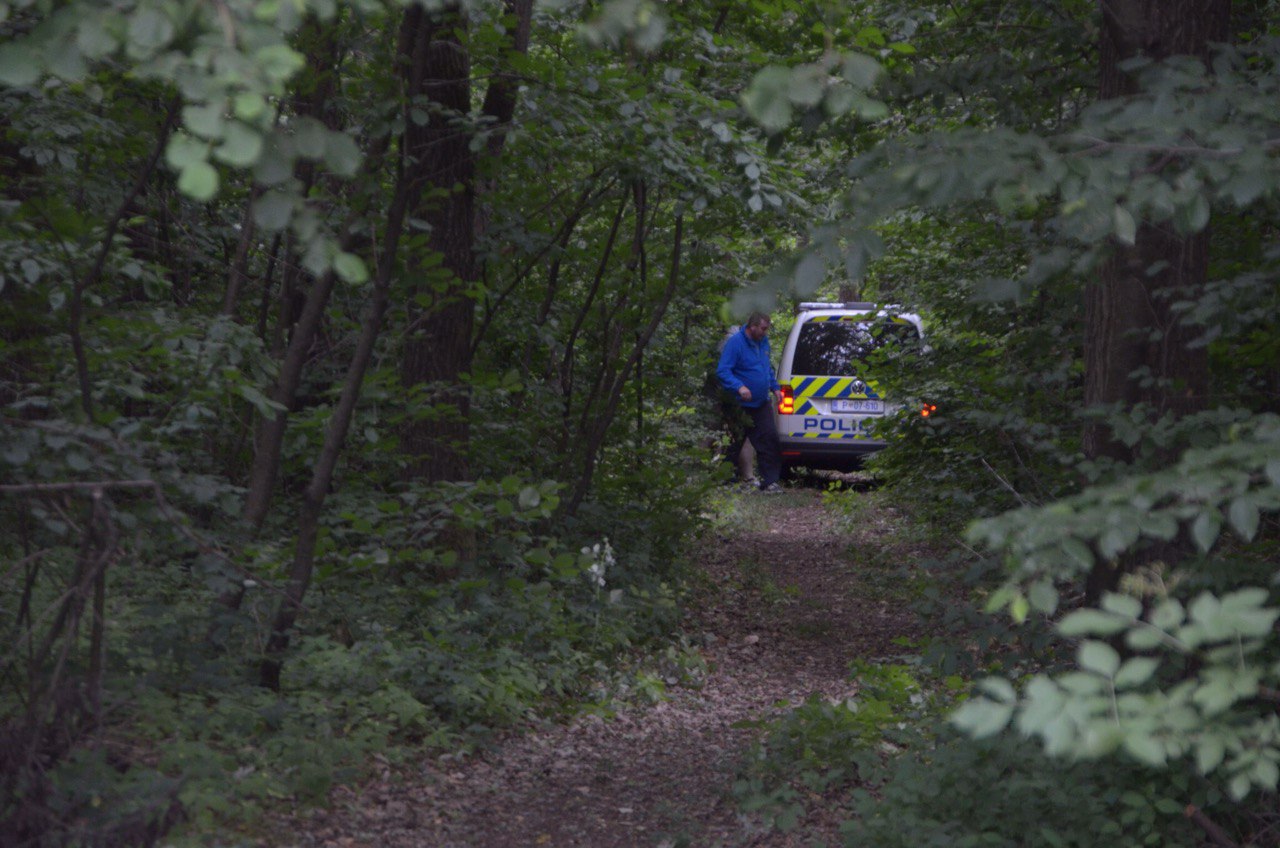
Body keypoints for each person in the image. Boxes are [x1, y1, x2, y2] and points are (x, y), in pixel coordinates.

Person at [715, 312, 784, 493]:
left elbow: (766, 367)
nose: (765, 332)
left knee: (769, 439)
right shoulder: (736, 343)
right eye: (762, 328)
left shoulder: (763, 342)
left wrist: (775, 387)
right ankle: (726, 481)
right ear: (752, 326)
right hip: (739, 405)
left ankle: (770, 482)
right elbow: (723, 371)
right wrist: (739, 387)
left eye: (767, 329)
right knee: (734, 443)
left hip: (761, 403)